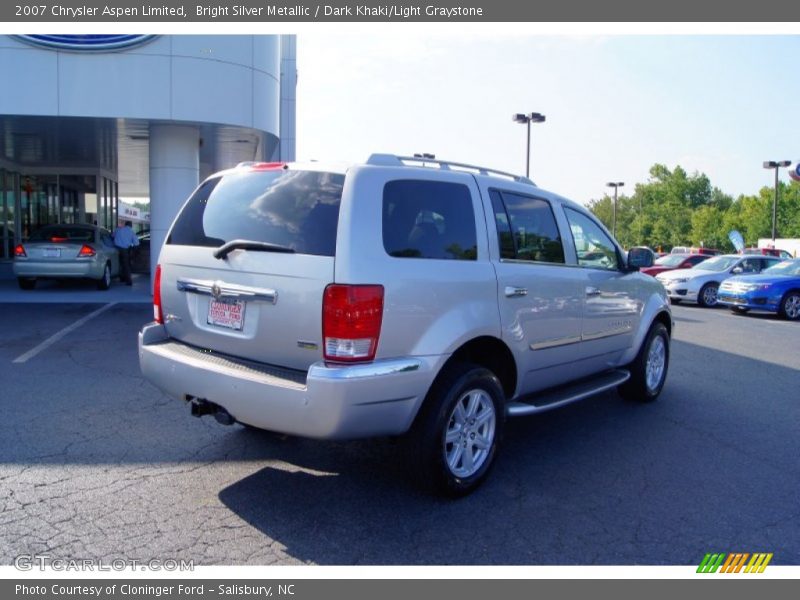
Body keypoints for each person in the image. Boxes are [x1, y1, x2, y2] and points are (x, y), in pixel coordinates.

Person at [113, 220, 139, 286]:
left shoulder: (118, 229)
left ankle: (121, 277)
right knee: (126, 265)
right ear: (131, 225)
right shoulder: (131, 231)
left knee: (118, 263)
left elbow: (112, 236)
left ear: (125, 224)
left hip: (115, 249)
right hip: (125, 250)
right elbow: (136, 243)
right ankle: (129, 281)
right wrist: (134, 253)